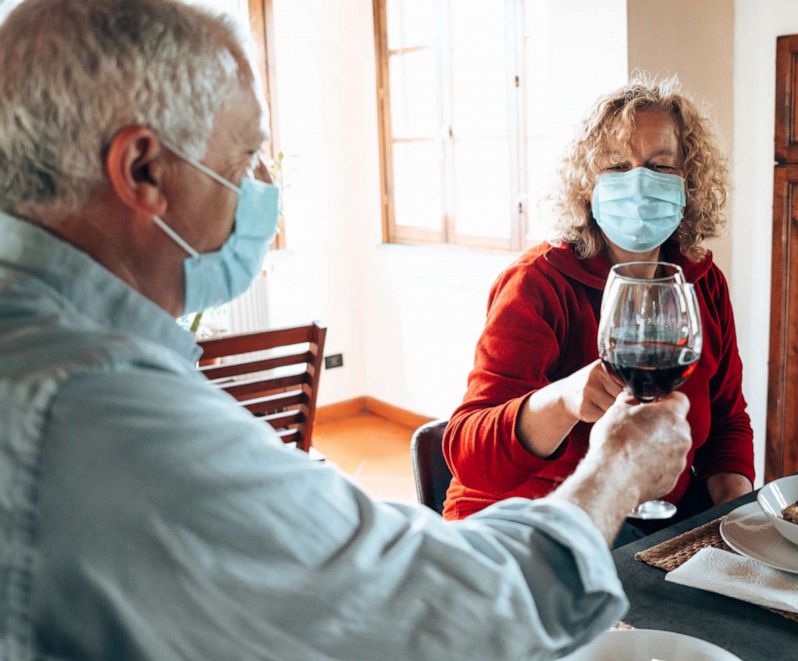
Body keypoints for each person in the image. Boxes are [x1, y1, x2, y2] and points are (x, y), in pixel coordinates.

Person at [0, 1, 695, 658]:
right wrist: (617, 469)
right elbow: (445, 616)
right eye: (244, 160)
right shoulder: (100, 409)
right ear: (142, 169)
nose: (264, 186)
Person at [442, 77, 754, 544]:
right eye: (617, 167)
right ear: (588, 186)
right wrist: (564, 400)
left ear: (688, 182)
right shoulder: (536, 284)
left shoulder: (702, 283)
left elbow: (728, 422)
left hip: (656, 529)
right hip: (530, 530)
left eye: (660, 166)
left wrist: (737, 520)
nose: (639, 182)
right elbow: (468, 454)